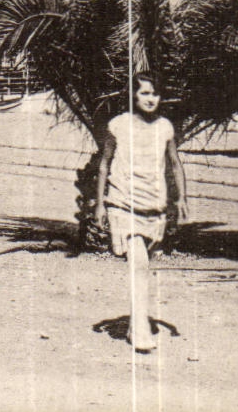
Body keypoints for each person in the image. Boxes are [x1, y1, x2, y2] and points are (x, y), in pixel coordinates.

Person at [94, 73, 189, 353]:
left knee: (143, 265)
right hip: (123, 203)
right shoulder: (119, 125)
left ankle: (137, 325)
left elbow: (175, 164)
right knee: (139, 265)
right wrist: (100, 203)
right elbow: (104, 164)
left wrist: (182, 197)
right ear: (133, 96)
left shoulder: (165, 127)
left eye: (155, 94)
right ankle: (140, 332)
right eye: (145, 93)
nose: (150, 99)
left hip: (154, 208)